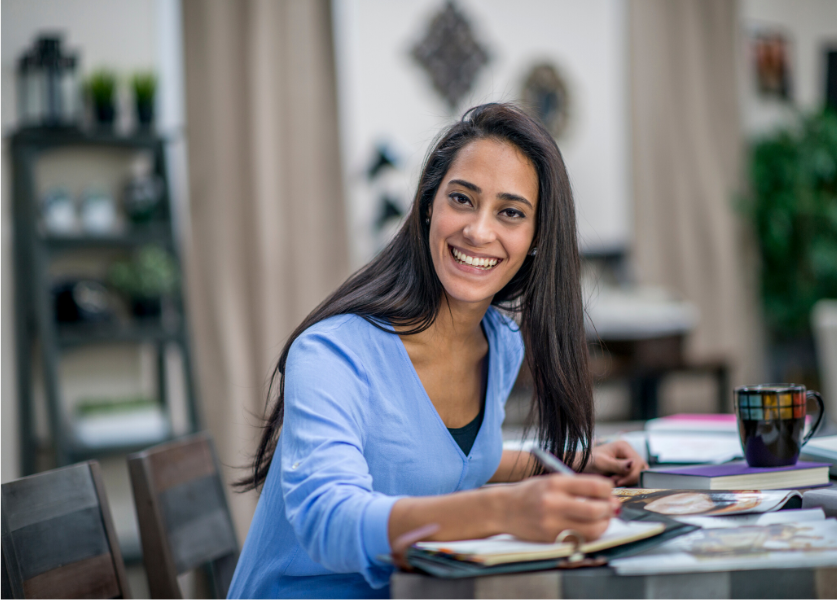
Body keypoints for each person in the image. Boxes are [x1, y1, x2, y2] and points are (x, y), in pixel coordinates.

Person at [227, 103, 647, 599]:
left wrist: (570, 461)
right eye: (462, 199)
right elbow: (327, 517)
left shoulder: (500, 343)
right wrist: (503, 511)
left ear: (536, 238)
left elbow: (455, 459)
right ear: (429, 207)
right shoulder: (332, 351)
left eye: (510, 212)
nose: (479, 230)